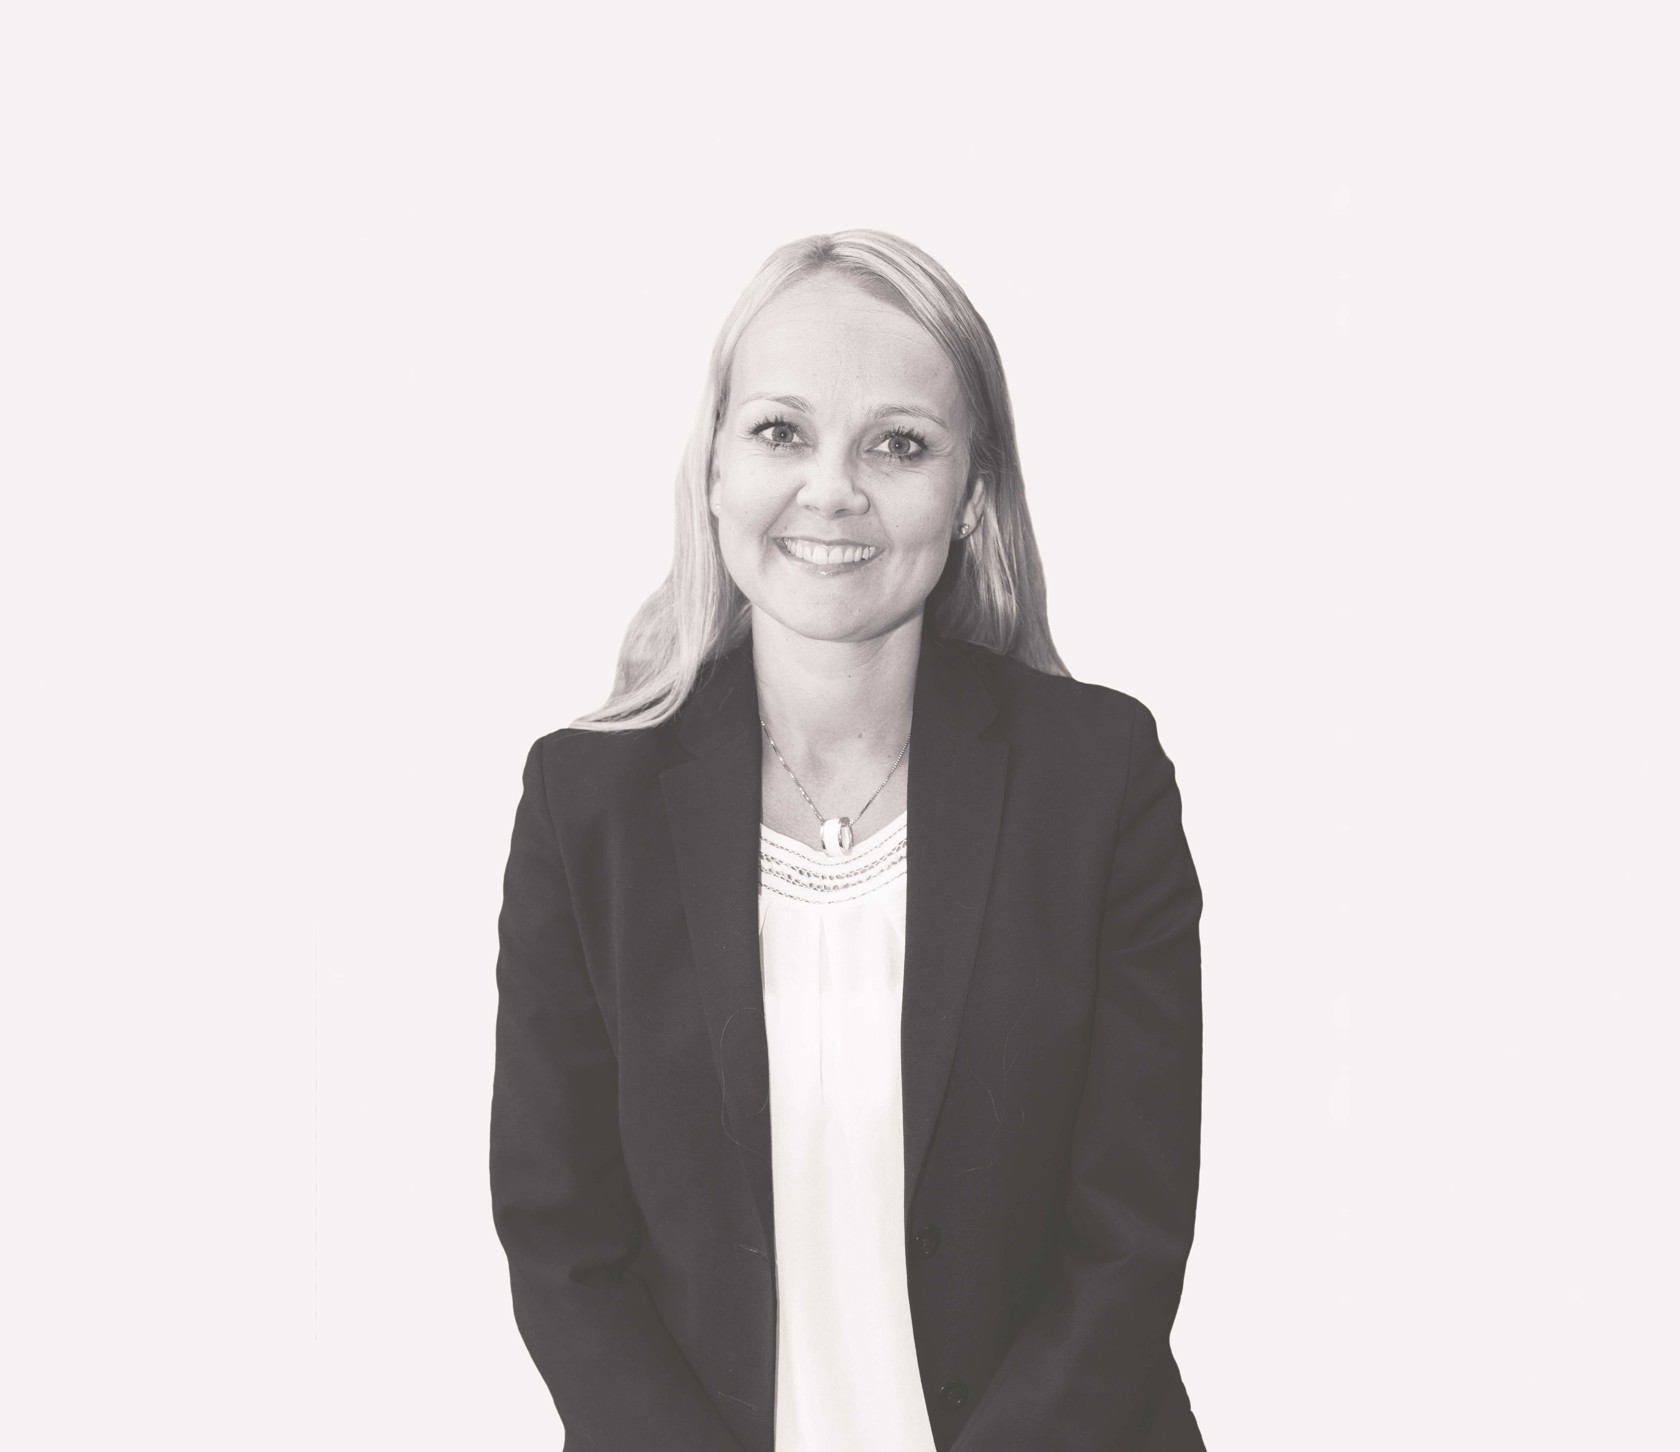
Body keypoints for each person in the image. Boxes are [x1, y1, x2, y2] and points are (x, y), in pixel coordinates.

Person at [490, 229, 1206, 1451]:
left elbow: (1126, 1243)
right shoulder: (584, 804)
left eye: (899, 444)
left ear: (971, 492)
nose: (833, 488)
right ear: (714, 468)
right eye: (782, 431)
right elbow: (564, 1245)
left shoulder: (1099, 782)